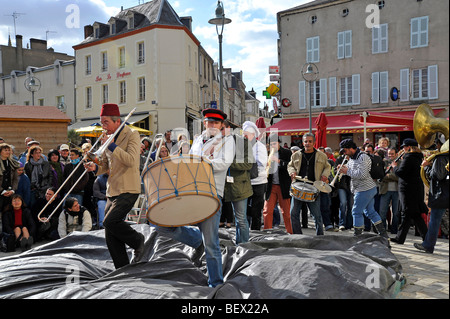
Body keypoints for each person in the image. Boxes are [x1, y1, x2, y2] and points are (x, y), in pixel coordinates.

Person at [155, 108, 234, 288]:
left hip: (211, 194)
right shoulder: (198, 140)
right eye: (208, 122)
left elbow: (223, 164)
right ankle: (195, 239)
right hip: (190, 192)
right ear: (204, 123)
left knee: (211, 244)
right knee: (163, 226)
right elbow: (189, 161)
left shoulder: (227, 140)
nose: (211, 125)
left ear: (222, 125)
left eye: (215, 122)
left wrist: (199, 161)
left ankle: (215, 283)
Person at [85, 103, 144, 269]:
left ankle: (137, 240)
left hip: (128, 188)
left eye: (106, 122)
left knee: (110, 222)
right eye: (101, 122)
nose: (103, 127)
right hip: (113, 189)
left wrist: (111, 146)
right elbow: (106, 165)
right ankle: (122, 268)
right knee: (110, 233)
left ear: (117, 121)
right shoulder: (108, 136)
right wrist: (95, 167)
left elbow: (131, 160)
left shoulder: (132, 134)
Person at [338, 139, 388, 238]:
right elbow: (350, 170)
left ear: (351, 148)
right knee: (370, 211)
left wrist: (347, 171)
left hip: (365, 189)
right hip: (362, 189)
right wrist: (342, 168)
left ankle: (358, 236)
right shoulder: (352, 158)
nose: (344, 153)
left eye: (345, 150)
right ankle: (383, 233)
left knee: (356, 211)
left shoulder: (363, 157)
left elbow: (363, 174)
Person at [288, 133, 331, 235]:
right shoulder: (296, 155)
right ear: (303, 142)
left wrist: (325, 175)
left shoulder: (322, 155)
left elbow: (327, 167)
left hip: (313, 187)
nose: (308, 143)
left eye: (310, 141)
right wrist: (292, 172)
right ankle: (298, 236)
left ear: (314, 143)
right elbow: (290, 166)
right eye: (306, 141)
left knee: (316, 215)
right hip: (298, 186)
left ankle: (320, 236)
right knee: (293, 213)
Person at [391, 138, 428, 244]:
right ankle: (402, 238)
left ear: (409, 147)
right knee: (413, 215)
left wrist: (394, 167)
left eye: (404, 147)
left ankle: (426, 239)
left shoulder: (409, 157)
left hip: (408, 190)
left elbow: (401, 173)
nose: (403, 149)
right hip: (415, 189)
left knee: (408, 213)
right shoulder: (418, 157)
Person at [415, 140, 449, 253]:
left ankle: (428, 245)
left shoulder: (440, 158)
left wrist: (426, 167)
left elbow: (438, 175)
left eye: (437, 144)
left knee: (434, 221)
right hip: (445, 192)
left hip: (440, 194)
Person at [222, 120, 253, 244]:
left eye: (222, 128)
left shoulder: (241, 142)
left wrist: (228, 162)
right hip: (222, 186)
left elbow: (248, 163)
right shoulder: (215, 143)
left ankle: (244, 246)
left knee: (241, 219)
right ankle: (238, 244)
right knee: (235, 219)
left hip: (240, 186)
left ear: (228, 128)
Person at [263, 134, 293, 233]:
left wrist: (278, 161)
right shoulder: (267, 153)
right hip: (271, 186)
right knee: (267, 210)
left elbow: (290, 166)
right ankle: (267, 231)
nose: (273, 146)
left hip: (283, 186)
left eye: (274, 143)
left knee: (286, 212)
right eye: (271, 144)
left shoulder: (287, 152)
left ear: (279, 143)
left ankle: (290, 232)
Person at [243, 121, 268, 231]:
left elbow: (261, 164)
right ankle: (246, 231)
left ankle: (255, 231)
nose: (244, 136)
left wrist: (246, 165)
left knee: (256, 210)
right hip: (245, 182)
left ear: (253, 135)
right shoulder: (242, 146)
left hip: (258, 183)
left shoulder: (260, 146)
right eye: (244, 134)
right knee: (244, 210)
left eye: (246, 134)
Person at [24, 145, 52, 210]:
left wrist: (47, 186)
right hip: (33, 189)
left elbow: (50, 176)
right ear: (31, 154)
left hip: (44, 189)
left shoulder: (46, 163)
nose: (38, 154)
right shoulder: (27, 165)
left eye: (39, 152)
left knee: (43, 207)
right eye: (36, 153)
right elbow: (27, 177)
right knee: (33, 207)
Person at [378, 147, 400, 233]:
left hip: (397, 191)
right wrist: (393, 176)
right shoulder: (384, 163)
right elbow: (382, 176)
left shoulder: (400, 163)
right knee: (382, 211)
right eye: (389, 154)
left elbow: (399, 177)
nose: (390, 155)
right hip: (385, 190)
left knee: (396, 212)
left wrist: (389, 176)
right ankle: (383, 230)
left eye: (392, 154)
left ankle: (394, 230)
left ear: (396, 154)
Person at [335, 152, 353, 230]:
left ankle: (349, 224)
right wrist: (338, 169)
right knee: (343, 203)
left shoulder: (354, 160)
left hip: (352, 185)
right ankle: (341, 223)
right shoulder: (339, 159)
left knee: (351, 205)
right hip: (342, 185)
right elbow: (334, 172)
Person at [1, 143, 20, 213]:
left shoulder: (12, 163)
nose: (8, 152)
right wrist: (2, 191)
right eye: (5, 150)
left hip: (10, 193)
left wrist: (12, 190)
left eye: (9, 150)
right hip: (1, 192)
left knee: (8, 213)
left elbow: (15, 179)